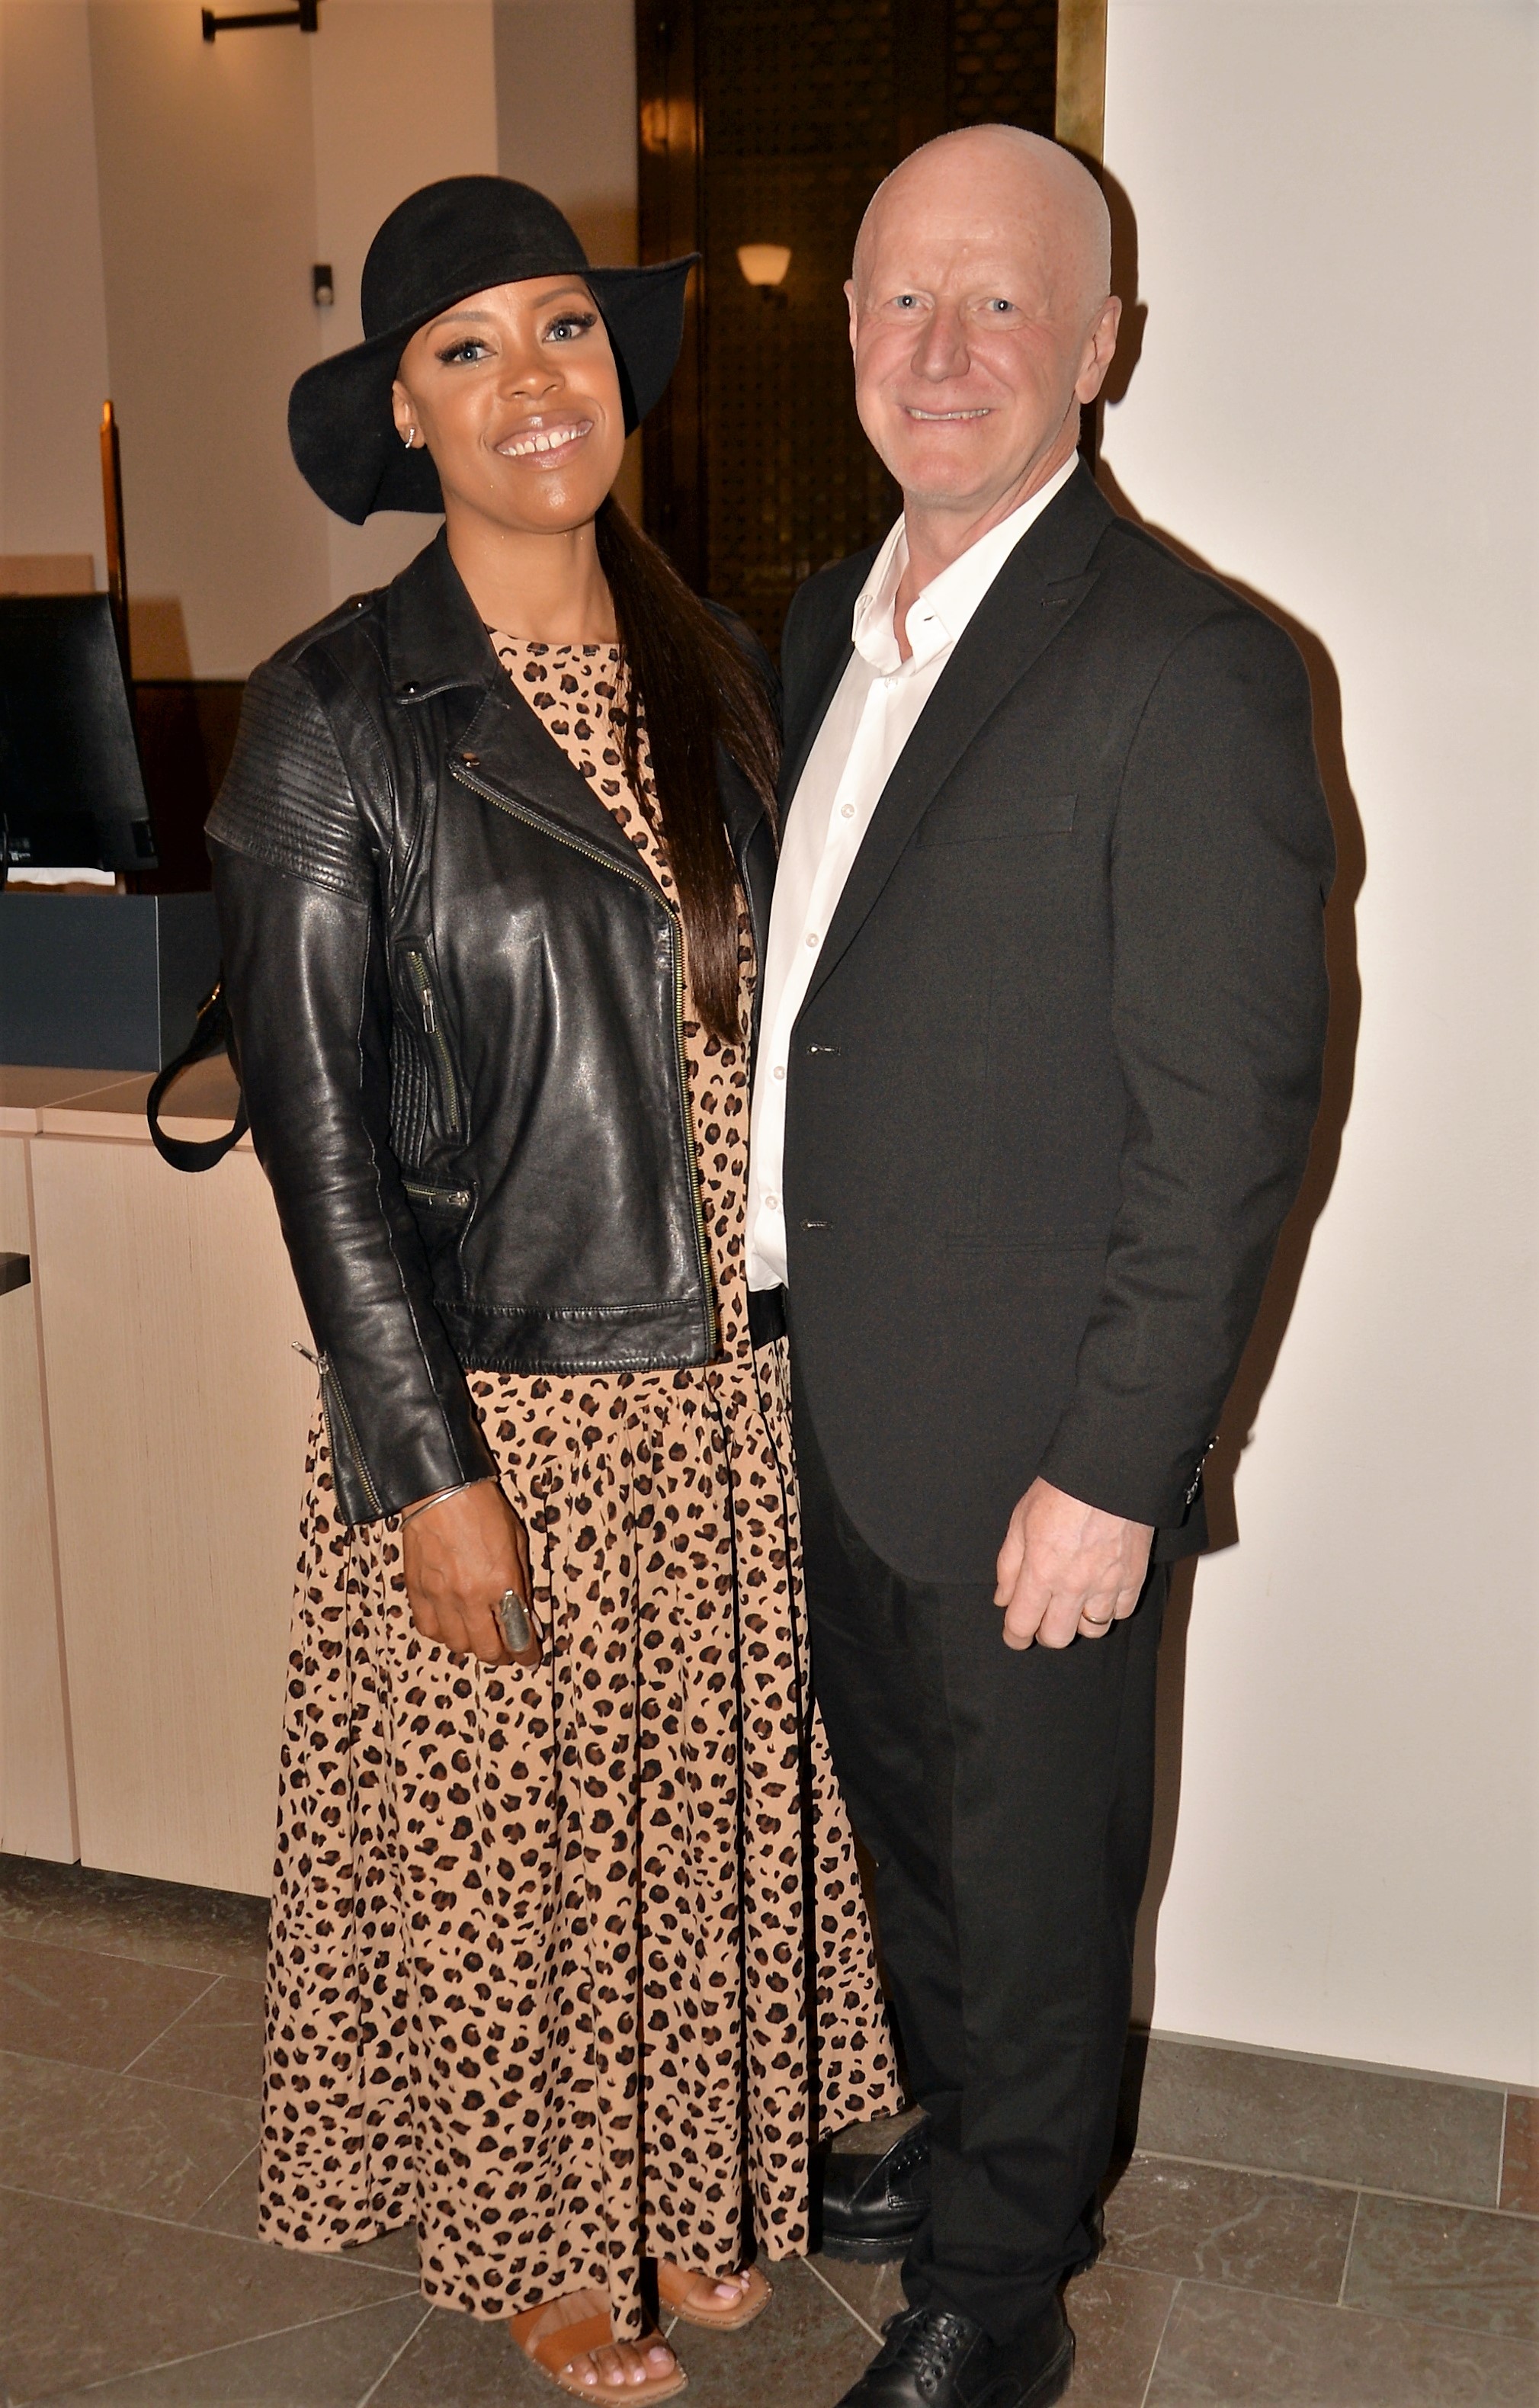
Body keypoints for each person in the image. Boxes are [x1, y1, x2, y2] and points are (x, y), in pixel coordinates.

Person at [208, 175, 899, 2404]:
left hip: (731, 1398)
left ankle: (686, 2190)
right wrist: (427, 1471)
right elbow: (319, 1148)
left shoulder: (731, 672)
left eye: (566, 328)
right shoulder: (338, 714)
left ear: (621, 370)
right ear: (405, 413)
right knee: (517, 1874)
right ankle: (534, 2241)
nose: (533, 381)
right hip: (509, 1405)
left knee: (691, 1843)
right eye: (468, 349)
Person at [747, 127, 1335, 2407]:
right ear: (847, 334)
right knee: (908, 1833)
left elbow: (1227, 1129)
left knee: (1035, 1878)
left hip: (1034, 1436)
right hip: (829, 1385)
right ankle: (967, 2133)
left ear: (1100, 345)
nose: (944, 350)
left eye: (1003, 304)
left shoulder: (1194, 664)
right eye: (903, 297)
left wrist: (1116, 1468)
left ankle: (1002, 2293)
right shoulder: (819, 623)